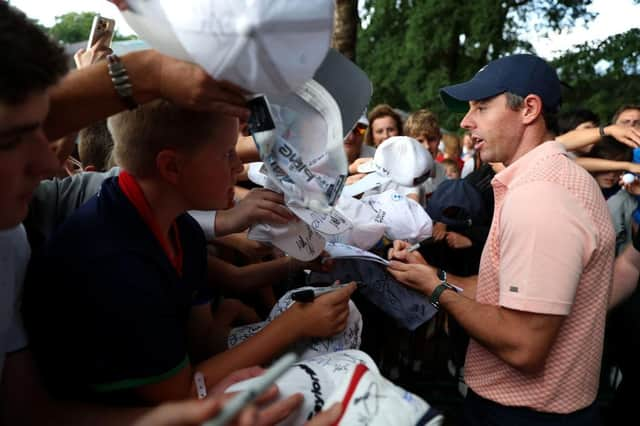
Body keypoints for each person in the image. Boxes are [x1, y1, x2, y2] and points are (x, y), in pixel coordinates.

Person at [0, 2, 313, 425]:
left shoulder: (11, 240)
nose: (49, 163)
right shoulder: (107, 259)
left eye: (43, 130)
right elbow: (177, 388)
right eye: (12, 140)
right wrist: (289, 327)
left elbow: (26, 410)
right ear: (170, 166)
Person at [388, 54, 614, 425]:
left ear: (528, 109)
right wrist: (435, 276)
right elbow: (503, 291)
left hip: (524, 414)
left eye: (481, 107)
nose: (465, 121)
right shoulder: (554, 179)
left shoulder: (541, 196)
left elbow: (523, 344)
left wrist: (436, 292)